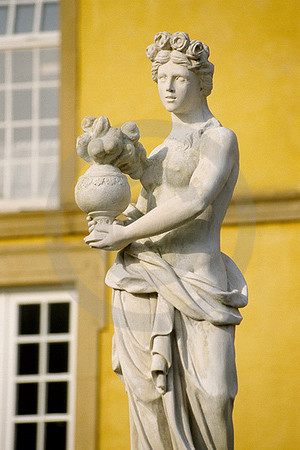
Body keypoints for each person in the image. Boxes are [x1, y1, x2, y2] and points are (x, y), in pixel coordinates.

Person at [88, 32, 248, 450]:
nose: (169, 87)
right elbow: (146, 211)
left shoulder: (219, 138)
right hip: (146, 278)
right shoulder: (159, 152)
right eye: (161, 78)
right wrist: (114, 224)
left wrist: (124, 233)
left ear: (201, 82)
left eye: (179, 77)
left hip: (200, 283)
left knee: (215, 396)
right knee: (150, 399)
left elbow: (196, 199)